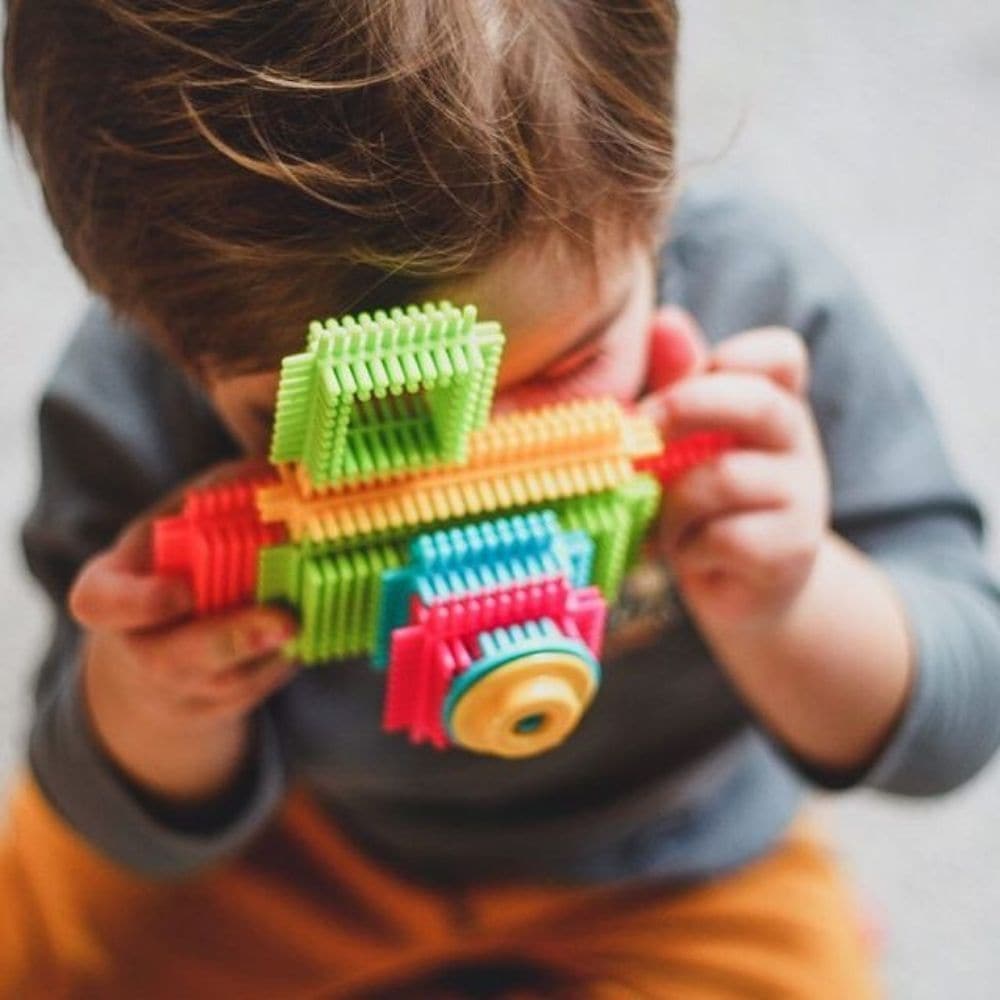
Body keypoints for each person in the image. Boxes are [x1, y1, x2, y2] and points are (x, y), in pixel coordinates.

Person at [2, 2, 998, 996]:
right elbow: (102, 804)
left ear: (650, 202)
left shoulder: (757, 301)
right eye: (369, 417)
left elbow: (960, 717)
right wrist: (155, 709)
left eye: (570, 359)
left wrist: (792, 597)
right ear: (167, 336)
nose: (463, 466)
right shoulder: (129, 401)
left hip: (674, 859)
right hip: (298, 842)